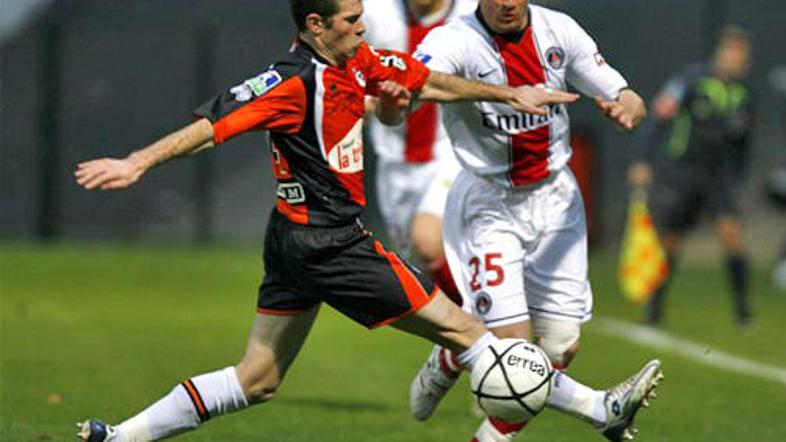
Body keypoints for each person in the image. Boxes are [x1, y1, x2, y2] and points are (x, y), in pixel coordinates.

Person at [70, 1, 638, 441]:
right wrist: (137, 161)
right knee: (470, 333)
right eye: (352, 20)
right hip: (334, 244)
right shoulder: (289, 82)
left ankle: (118, 435)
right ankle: (598, 409)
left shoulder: (353, 60)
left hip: (292, 241)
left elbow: (428, 83)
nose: (365, 29)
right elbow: (212, 125)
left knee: (257, 379)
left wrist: (508, 93)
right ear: (317, 25)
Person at [404, 1, 659, 441]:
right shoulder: (454, 39)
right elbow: (416, 83)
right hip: (489, 203)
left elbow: (624, 92)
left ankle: (452, 357)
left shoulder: (559, 30)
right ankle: (600, 409)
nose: (506, 3)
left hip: (556, 200)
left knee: (560, 346)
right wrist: (503, 93)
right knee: (514, 349)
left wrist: (629, 107)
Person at [629, 26, 756, 326]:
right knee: (671, 242)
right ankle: (655, 310)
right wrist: (642, 160)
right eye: (731, 52)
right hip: (684, 172)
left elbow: (744, 145)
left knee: (732, 236)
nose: (735, 60)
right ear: (720, 53)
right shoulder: (690, 81)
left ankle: (743, 313)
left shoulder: (745, 94)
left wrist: (738, 179)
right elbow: (659, 117)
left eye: (741, 56)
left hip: (719, 177)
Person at [362, 0, 476, 305]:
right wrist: (364, 103)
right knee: (418, 265)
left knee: (427, 242)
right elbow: (340, 72)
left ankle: (481, 326)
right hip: (393, 162)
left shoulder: (473, 13)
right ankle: (469, 334)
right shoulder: (373, 13)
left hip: (452, 152)